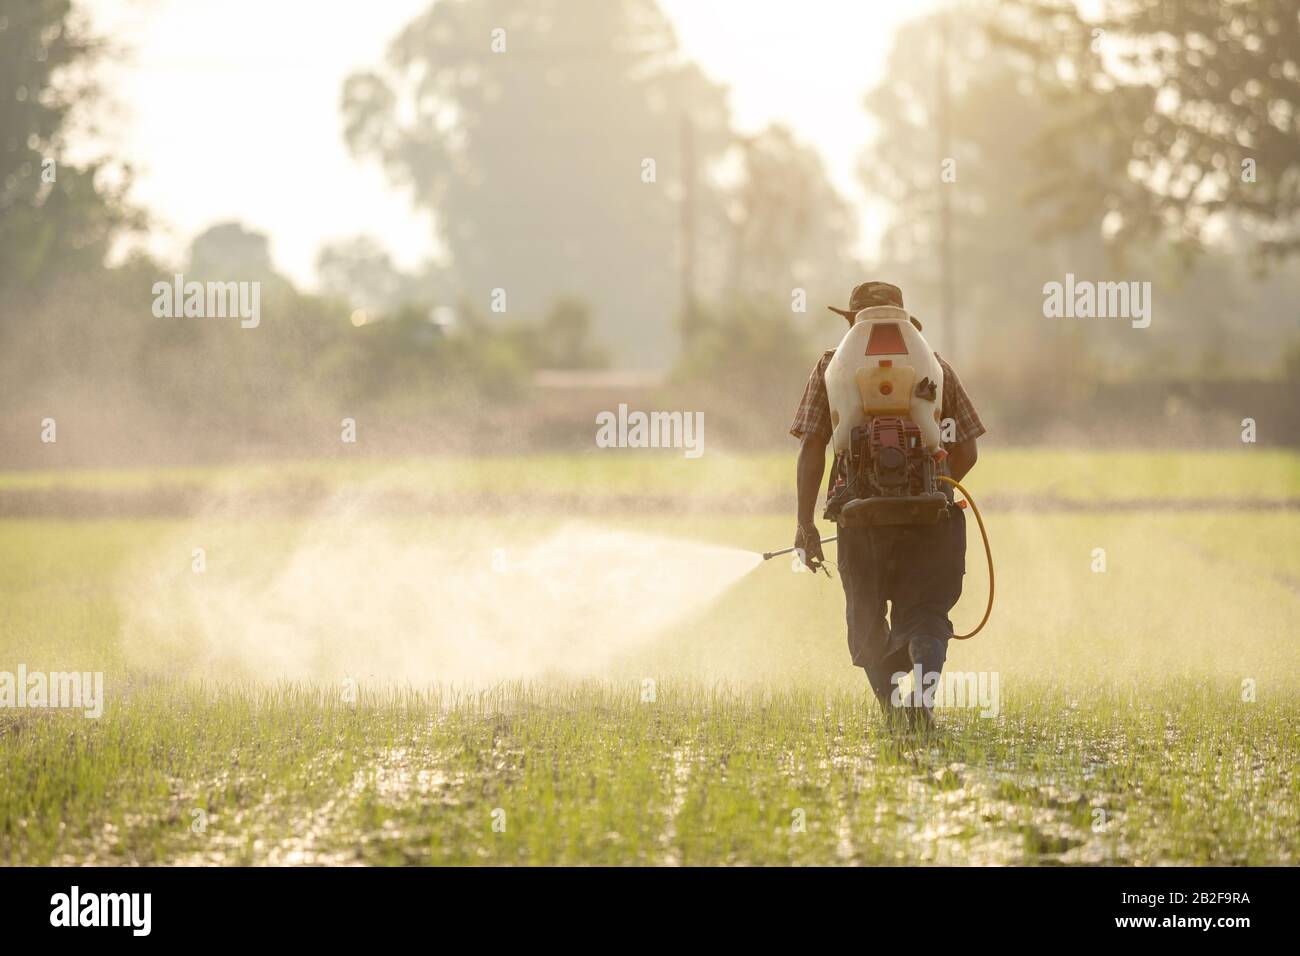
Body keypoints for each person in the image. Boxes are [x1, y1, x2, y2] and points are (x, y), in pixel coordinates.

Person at [789, 281, 985, 730]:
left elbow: (812, 448)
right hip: (931, 517)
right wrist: (933, 486)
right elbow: (968, 450)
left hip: (861, 521)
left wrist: (805, 523)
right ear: (905, 321)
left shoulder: (830, 369)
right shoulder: (935, 368)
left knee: (867, 621)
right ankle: (923, 704)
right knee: (928, 615)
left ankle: (896, 713)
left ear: (851, 323)